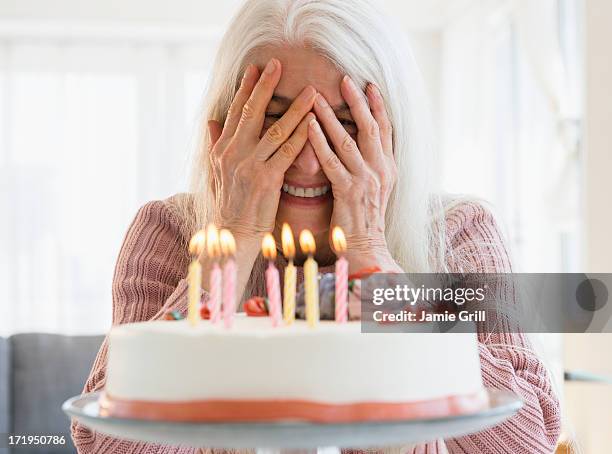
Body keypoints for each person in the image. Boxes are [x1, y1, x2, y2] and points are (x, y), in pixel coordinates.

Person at [71, 0, 561, 452]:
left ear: (392, 134)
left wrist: (380, 271)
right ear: (226, 130)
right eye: (275, 122)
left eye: (343, 126)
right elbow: (108, 446)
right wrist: (233, 238)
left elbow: (531, 440)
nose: (307, 162)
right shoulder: (170, 231)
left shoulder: (459, 234)